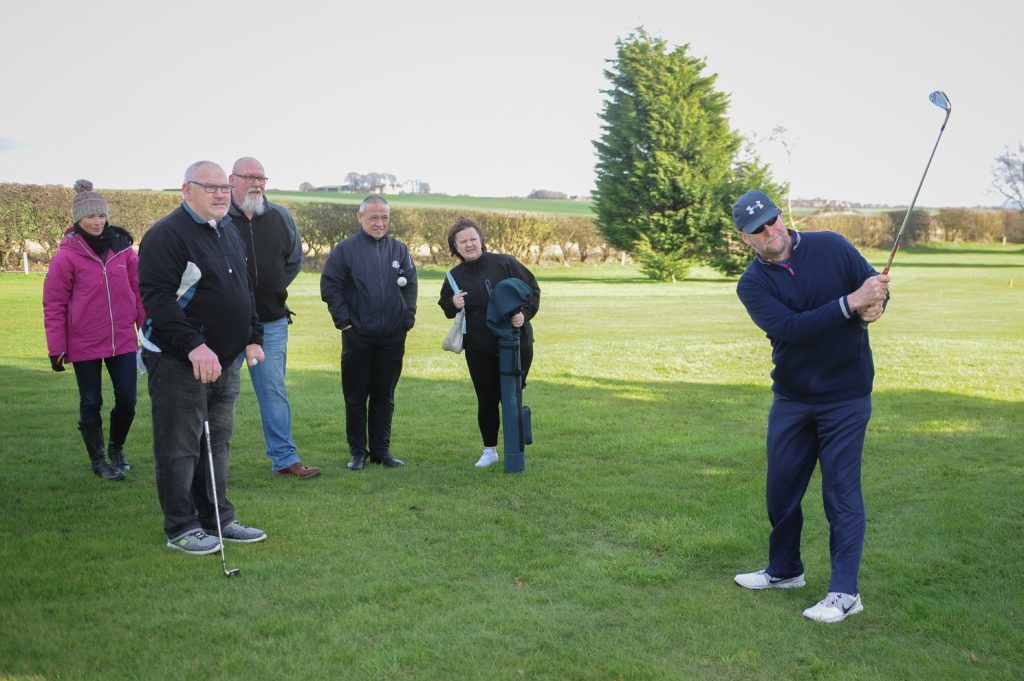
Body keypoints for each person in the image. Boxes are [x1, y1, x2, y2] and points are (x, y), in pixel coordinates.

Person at [730, 189, 889, 623]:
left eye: (771, 221)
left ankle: (845, 593)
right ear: (745, 239)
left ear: (781, 216)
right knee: (781, 489)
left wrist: (875, 305)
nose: (769, 232)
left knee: (840, 491)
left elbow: (872, 286)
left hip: (846, 396)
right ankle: (785, 571)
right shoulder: (752, 283)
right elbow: (791, 329)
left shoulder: (832, 246)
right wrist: (850, 304)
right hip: (794, 397)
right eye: (756, 230)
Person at [138, 161, 267, 556]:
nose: (218, 194)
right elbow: (158, 299)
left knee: (218, 444)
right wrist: (194, 344)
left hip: (226, 362)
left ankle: (218, 519)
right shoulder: (166, 236)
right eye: (207, 187)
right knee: (180, 446)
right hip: (181, 361)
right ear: (186, 190)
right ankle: (181, 527)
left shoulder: (227, 229)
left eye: (223, 188)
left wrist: (251, 337)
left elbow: (244, 290)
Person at [43, 179, 146, 481]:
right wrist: (56, 347)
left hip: (123, 340)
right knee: (91, 401)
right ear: (78, 219)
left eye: (101, 215)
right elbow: (54, 303)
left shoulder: (123, 251)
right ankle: (98, 459)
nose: (98, 221)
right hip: (84, 342)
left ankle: (117, 448)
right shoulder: (66, 256)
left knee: (128, 400)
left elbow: (139, 292)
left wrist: (148, 331)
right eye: (91, 216)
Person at [228, 157, 319, 479]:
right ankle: (208, 462)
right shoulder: (218, 217)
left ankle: (284, 458)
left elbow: (292, 262)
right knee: (219, 394)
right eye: (249, 177)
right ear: (232, 180)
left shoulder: (281, 216)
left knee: (274, 391)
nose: (256, 183)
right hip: (225, 324)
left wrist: (270, 287)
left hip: (271, 322)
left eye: (261, 178)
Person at [320, 195, 417, 470]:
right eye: (374, 217)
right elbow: (330, 287)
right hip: (358, 335)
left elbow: (410, 285)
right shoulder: (345, 250)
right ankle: (358, 453)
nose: (380, 222)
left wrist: (407, 318)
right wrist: (345, 323)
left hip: (392, 336)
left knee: (385, 395)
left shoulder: (399, 249)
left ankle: (381, 451)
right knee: (356, 396)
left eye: (384, 217)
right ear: (360, 217)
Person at [437, 218, 540, 468]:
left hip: (517, 345)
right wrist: (454, 303)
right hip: (479, 349)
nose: (469, 244)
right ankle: (490, 451)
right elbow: (445, 306)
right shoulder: (454, 276)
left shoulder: (505, 263)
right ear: (455, 247)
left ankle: (515, 451)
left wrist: (523, 315)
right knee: (486, 399)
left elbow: (533, 291)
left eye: (473, 239)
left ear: (481, 240)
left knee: (513, 397)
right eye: (463, 242)